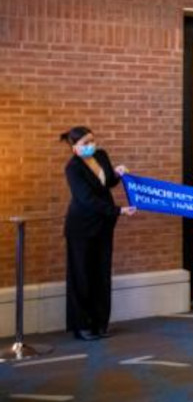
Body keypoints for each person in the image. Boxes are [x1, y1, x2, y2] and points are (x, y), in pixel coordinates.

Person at [61, 126, 135, 341]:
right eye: (85, 143)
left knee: (101, 274)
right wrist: (118, 210)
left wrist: (118, 174)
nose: (90, 145)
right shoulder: (72, 168)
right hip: (81, 228)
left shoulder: (101, 155)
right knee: (81, 275)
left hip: (103, 225)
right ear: (75, 148)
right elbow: (86, 199)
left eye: (92, 140)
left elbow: (106, 183)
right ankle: (82, 326)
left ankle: (99, 323)